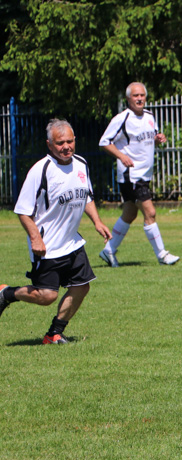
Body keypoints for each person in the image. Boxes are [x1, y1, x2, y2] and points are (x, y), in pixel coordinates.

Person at [0, 119, 112, 344]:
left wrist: (97, 222)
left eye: (70, 141)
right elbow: (23, 211)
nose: (66, 147)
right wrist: (36, 238)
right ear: (49, 144)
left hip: (72, 242)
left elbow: (86, 196)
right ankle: (6, 293)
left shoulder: (80, 163)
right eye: (60, 143)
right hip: (47, 246)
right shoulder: (41, 170)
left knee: (81, 287)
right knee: (46, 296)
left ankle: (54, 334)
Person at [97, 82, 179, 267]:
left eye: (142, 95)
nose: (140, 98)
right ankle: (162, 254)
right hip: (131, 175)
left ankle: (108, 250)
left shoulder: (150, 116)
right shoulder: (122, 118)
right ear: (128, 99)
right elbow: (104, 141)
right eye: (135, 96)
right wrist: (121, 156)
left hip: (144, 174)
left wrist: (159, 139)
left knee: (129, 213)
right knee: (150, 212)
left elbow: (152, 138)